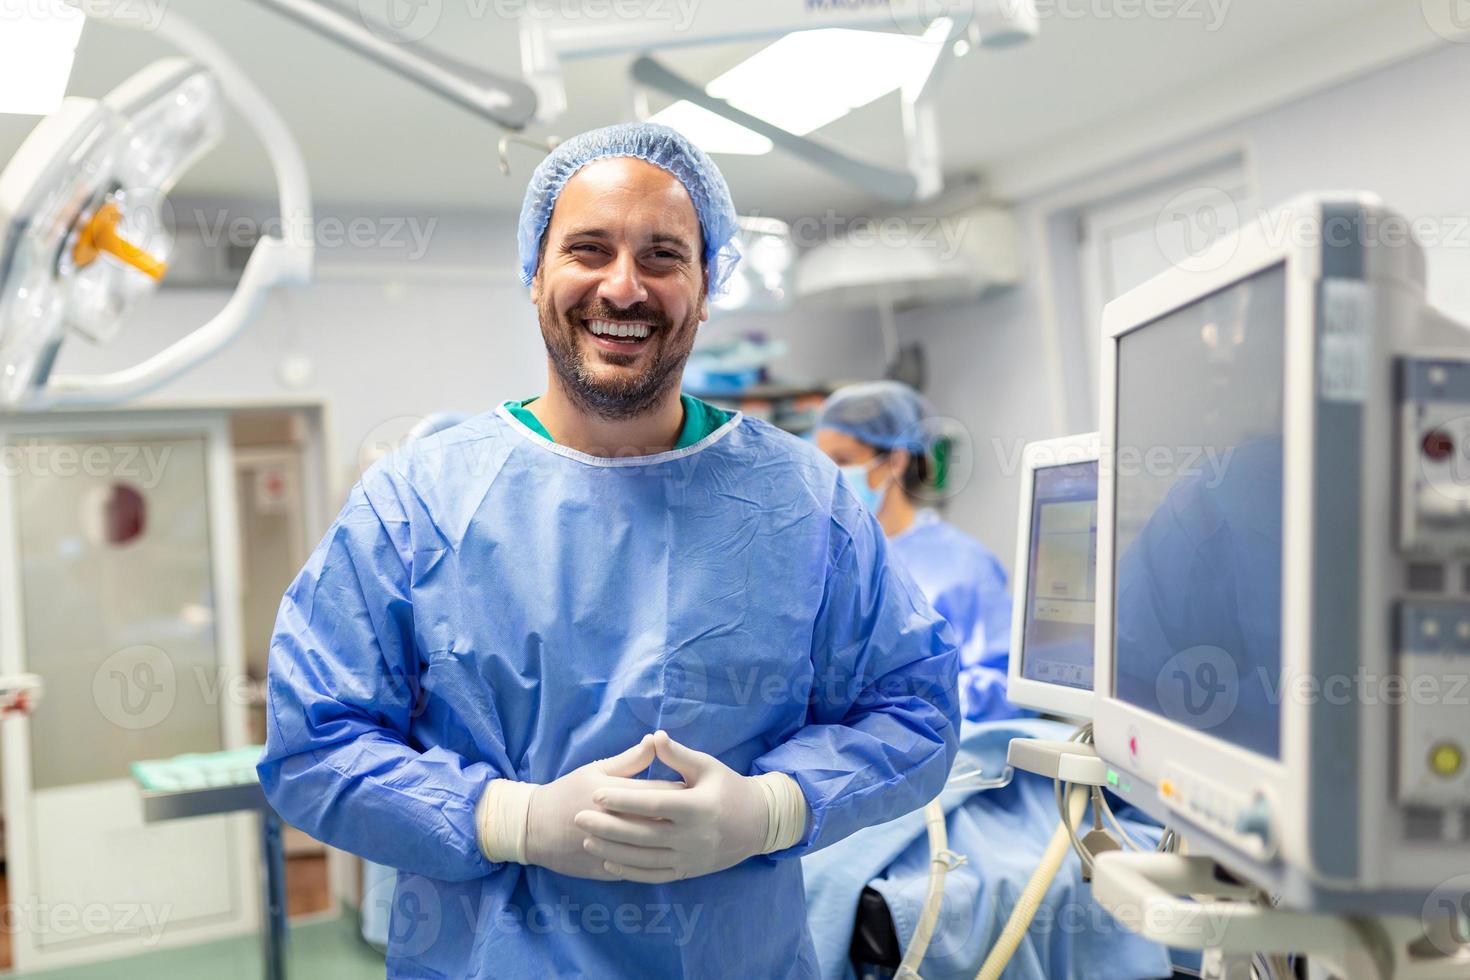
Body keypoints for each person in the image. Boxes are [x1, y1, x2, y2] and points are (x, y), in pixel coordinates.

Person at [257, 123, 960, 979]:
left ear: (706, 287)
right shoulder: (416, 501)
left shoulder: (806, 502)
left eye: (663, 256)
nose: (623, 286)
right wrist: (510, 822)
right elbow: (312, 743)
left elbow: (915, 709)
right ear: (536, 274)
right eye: (588, 249)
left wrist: (774, 808)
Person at [815, 381, 1023, 722]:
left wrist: (911, 705)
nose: (829, 476)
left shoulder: (960, 563)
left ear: (895, 459)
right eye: (820, 462)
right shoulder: (824, 558)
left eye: (842, 460)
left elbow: (1004, 684)